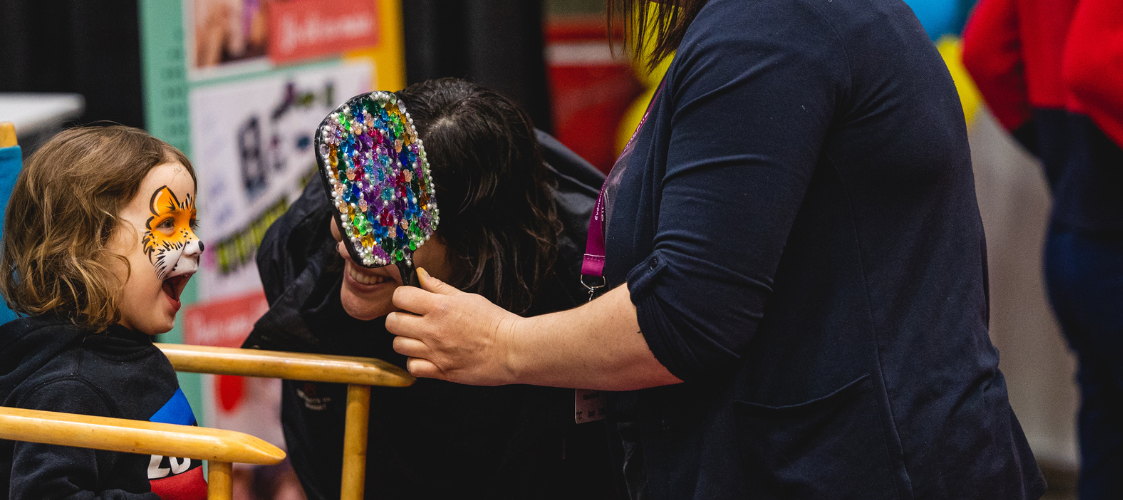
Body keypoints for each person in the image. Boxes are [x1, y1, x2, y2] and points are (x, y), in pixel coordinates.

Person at [382, 0, 1047, 497]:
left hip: (855, 467)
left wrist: (503, 346)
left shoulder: (772, 30)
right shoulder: (770, 26)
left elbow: (686, 318)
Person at [244, 78, 617, 499]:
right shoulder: (300, 254)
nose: (352, 246)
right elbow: (322, 455)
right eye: (351, 209)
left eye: (390, 228)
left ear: (475, 243)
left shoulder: (584, 284)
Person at [0, 125, 209, 500]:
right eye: (167, 225)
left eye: (190, 224)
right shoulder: (68, 390)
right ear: (85, 247)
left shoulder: (125, 351)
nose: (195, 243)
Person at [965, 2, 1123, 497]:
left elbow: (985, 51)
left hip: (1076, 237)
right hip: (1108, 237)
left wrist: (1063, 156)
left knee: (1108, 437)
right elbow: (1097, 65)